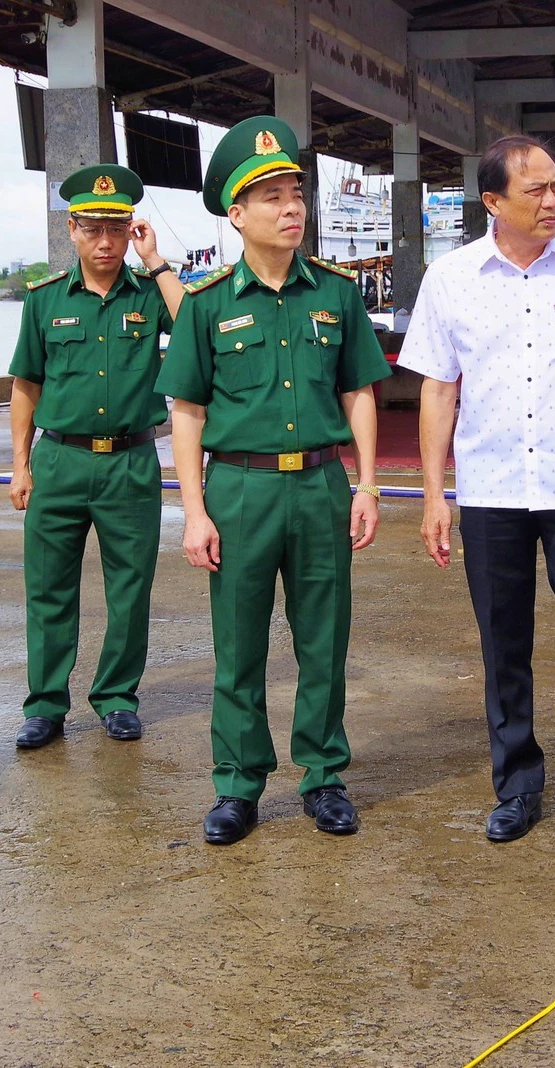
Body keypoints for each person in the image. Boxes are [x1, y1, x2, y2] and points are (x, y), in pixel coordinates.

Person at [399, 135, 555, 849]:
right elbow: (438, 389)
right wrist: (432, 495)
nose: (553, 201)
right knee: (502, 647)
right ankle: (517, 787)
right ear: (492, 202)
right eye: (535, 190)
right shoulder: (451, 279)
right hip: (490, 493)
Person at [156, 117, 392, 846]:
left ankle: (323, 775)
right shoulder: (207, 304)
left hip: (320, 486)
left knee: (324, 639)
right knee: (240, 643)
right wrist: (193, 510)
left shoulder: (336, 295)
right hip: (241, 492)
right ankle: (238, 785)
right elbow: (187, 411)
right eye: (271, 197)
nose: (292, 208)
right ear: (236, 214)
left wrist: (368, 483)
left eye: (296, 193)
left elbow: (359, 391)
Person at [7, 164, 184, 749]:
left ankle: (116, 697)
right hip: (58, 461)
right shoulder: (45, 301)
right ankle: (45, 704)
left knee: (130, 587)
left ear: (129, 229)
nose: (105, 242)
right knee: (49, 587)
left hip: (130, 463)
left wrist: (155, 263)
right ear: (73, 231)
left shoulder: (149, 296)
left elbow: (194, 328)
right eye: (92, 229)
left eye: (116, 228)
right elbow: (25, 385)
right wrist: (20, 462)